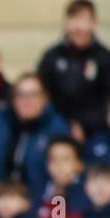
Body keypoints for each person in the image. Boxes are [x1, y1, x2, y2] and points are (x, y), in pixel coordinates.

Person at [37, 0, 110, 143]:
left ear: (93, 23)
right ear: (65, 23)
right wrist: (66, 125)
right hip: (56, 129)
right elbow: (42, 95)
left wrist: (86, 125)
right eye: (73, 19)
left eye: (84, 19)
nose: (78, 26)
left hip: (96, 132)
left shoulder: (104, 57)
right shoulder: (52, 57)